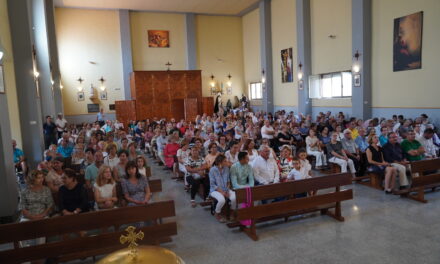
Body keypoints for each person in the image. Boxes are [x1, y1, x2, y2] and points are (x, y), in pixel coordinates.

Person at [209, 154, 236, 223]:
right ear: (219, 162)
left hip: (225, 189)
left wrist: (227, 190)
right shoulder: (212, 170)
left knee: (234, 198)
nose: (226, 162)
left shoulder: (226, 168)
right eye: (225, 161)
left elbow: (228, 181)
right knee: (221, 200)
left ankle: (232, 212)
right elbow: (212, 184)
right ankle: (217, 213)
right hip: (215, 190)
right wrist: (222, 192)